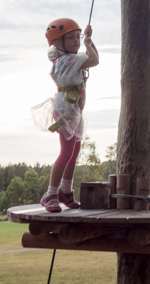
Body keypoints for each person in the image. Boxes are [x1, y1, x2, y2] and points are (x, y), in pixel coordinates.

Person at [32, 18, 99, 213]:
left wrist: (88, 41)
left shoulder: (66, 58)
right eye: (71, 38)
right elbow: (94, 60)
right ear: (58, 43)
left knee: (74, 153)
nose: (76, 41)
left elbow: (92, 57)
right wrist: (88, 43)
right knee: (66, 153)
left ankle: (65, 191)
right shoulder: (68, 60)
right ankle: (51, 194)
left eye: (78, 37)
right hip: (66, 110)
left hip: (73, 110)